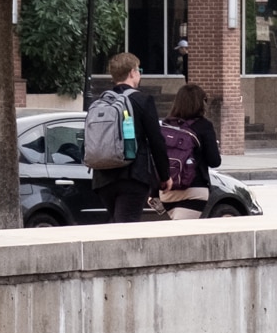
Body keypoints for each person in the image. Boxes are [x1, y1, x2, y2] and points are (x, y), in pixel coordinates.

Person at [90, 51, 167, 222]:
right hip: (133, 176)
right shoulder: (142, 100)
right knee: (125, 229)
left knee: (117, 222)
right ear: (132, 72)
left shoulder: (101, 102)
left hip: (103, 178)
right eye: (139, 70)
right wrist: (165, 175)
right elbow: (156, 141)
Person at [158, 83, 223, 218]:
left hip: (167, 192)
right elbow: (214, 161)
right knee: (182, 235)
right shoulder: (204, 126)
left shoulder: (165, 125)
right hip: (194, 190)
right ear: (200, 103)